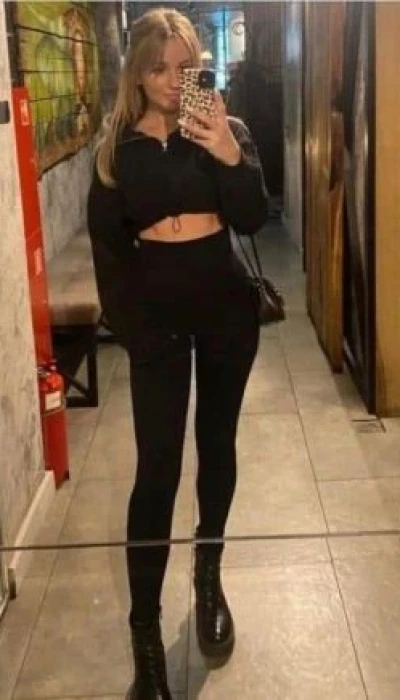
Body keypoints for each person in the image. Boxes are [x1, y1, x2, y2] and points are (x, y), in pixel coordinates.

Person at [87, 8, 269, 700]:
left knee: (217, 446)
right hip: (157, 322)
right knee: (157, 470)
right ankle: (145, 632)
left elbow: (252, 217)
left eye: (184, 69)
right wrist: (136, 331)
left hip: (225, 309)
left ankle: (208, 574)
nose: (171, 81)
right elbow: (110, 252)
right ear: (137, 73)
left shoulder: (228, 131)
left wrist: (227, 151)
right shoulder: (117, 149)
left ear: (200, 70)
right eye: (157, 69)